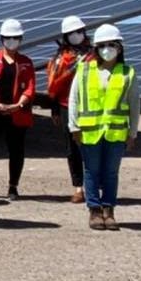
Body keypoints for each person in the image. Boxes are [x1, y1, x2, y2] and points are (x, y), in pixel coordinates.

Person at [69, 24, 140, 231]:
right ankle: (94, 210)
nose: (107, 49)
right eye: (103, 45)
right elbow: (74, 98)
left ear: (120, 48)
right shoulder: (84, 70)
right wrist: (73, 126)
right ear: (96, 48)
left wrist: (133, 133)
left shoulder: (128, 72)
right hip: (89, 131)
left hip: (116, 132)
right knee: (91, 172)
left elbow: (135, 104)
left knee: (111, 173)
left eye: (112, 45)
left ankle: (109, 210)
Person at [0, 18, 36, 200]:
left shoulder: (26, 62)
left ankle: (13, 187)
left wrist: (18, 104)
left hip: (17, 113)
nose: (12, 41)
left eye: (15, 37)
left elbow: (30, 86)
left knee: (16, 150)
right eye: (8, 37)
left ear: (20, 39)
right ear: (1, 38)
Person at [45, 15, 94, 204]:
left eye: (79, 32)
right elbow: (54, 85)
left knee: (91, 147)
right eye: (71, 33)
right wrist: (55, 108)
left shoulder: (95, 54)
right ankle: (78, 187)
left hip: (91, 106)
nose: (76, 35)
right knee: (72, 148)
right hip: (67, 106)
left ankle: (93, 185)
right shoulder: (60, 58)